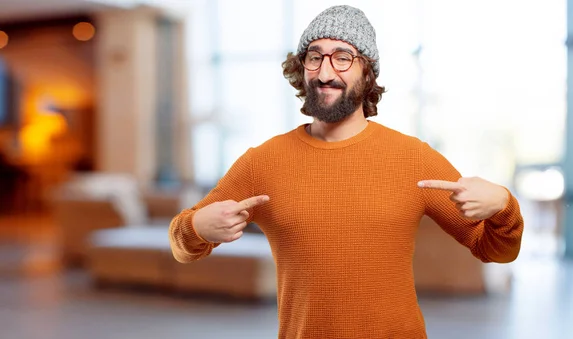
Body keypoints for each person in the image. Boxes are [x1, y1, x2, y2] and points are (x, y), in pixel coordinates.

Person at [169, 5, 524, 339]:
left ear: (366, 72)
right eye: (314, 57)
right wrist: (197, 227)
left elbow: (495, 250)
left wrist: (504, 206)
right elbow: (182, 245)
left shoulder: (413, 157)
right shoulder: (262, 162)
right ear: (302, 67)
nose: (325, 72)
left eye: (343, 58)